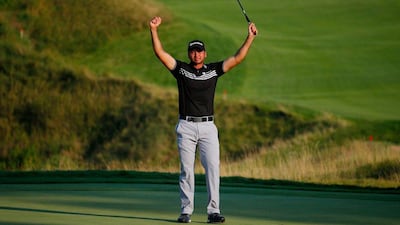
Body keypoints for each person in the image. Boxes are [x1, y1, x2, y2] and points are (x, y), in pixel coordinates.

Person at [149, 16, 257, 223]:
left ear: (205, 54)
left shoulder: (213, 71)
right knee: (186, 171)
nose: (196, 54)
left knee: (213, 169)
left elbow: (237, 58)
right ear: (189, 53)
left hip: (208, 127)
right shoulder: (181, 70)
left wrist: (250, 37)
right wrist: (154, 30)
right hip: (186, 126)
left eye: (199, 51)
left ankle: (213, 211)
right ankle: (186, 211)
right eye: (193, 51)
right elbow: (160, 53)